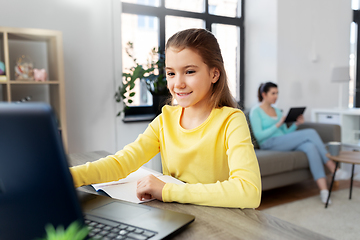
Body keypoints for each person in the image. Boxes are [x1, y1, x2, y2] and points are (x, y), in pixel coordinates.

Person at [70, 28, 261, 208]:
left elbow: (249, 191)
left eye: (189, 71)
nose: (178, 83)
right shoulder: (165, 120)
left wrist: (168, 190)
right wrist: (68, 176)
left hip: (221, 223)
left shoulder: (232, 120)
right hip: (180, 215)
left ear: (214, 74)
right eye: (171, 73)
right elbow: (123, 162)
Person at [249, 81, 349, 204]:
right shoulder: (256, 111)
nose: (276, 96)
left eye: (277, 93)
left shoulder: (278, 111)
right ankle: (333, 168)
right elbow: (259, 136)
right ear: (264, 94)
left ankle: (324, 191)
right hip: (268, 143)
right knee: (310, 132)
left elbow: (285, 133)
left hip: (282, 141)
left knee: (310, 146)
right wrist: (278, 124)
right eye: (273, 93)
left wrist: (296, 124)